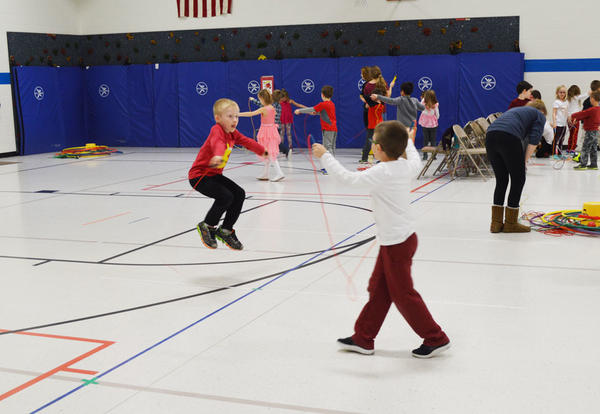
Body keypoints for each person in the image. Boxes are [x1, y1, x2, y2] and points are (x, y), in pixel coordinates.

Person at [311, 120, 450, 358]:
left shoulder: (382, 171)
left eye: (374, 142)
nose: (372, 144)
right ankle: (363, 338)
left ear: (379, 149)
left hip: (397, 243)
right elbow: (415, 159)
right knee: (378, 288)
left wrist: (325, 156)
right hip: (399, 240)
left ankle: (435, 337)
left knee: (403, 295)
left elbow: (349, 179)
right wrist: (410, 140)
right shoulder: (404, 165)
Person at [189, 98, 267, 250]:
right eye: (230, 116)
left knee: (239, 193)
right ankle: (207, 226)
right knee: (226, 196)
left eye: (236, 116)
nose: (235, 120)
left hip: (213, 175)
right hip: (199, 176)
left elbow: (246, 141)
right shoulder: (216, 130)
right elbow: (217, 142)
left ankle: (225, 230)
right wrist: (218, 155)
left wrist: (261, 150)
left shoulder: (233, 133)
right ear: (218, 118)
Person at [486, 100, 547, 233]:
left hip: (490, 136)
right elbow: (534, 140)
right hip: (508, 137)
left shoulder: (517, 112)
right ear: (542, 111)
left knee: (502, 180)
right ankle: (511, 223)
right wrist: (524, 162)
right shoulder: (539, 115)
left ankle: (495, 223)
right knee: (518, 179)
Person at [239, 89, 285, 182]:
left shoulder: (264, 108)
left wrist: (238, 114)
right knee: (267, 153)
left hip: (266, 131)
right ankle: (265, 173)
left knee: (270, 153)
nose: (259, 101)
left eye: (259, 99)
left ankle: (279, 173)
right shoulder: (272, 107)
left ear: (263, 99)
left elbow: (251, 114)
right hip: (271, 130)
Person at [295, 85, 338, 167]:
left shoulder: (323, 104)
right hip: (334, 129)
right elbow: (324, 113)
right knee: (332, 147)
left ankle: (330, 167)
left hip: (327, 129)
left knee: (327, 148)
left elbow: (312, 109)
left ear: (322, 94)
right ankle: (333, 166)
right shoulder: (331, 104)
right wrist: (316, 112)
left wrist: (299, 111)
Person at [569, 91, 600, 170]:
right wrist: (578, 119)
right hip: (596, 131)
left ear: (592, 99)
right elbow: (586, 116)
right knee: (593, 148)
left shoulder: (592, 109)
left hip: (590, 132)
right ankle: (593, 164)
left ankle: (583, 164)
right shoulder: (598, 109)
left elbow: (583, 113)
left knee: (585, 148)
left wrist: (572, 116)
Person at [279, 89, 304, 157]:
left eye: (284, 98)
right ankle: (282, 148)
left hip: (288, 120)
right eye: (282, 98)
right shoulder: (279, 102)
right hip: (281, 120)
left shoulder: (290, 101)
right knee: (282, 134)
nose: (283, 99)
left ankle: (290, 147)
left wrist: (305, 108)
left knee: (289, 133)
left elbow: (298, 105)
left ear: (287, 97)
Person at [419, 90, 440, 160]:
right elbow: (437, 115)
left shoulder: (424, 102)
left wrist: (425, 110)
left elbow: (420, 109)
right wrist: (434, 118)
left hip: (425, 123)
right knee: (432, 140)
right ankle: (432, 155)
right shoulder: (434, 104)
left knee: (426, 139)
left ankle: (426, 156)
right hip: (431, 124)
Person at [566, 85, 586, 151]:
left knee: (571, 134)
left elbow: (567, 110)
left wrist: (568, 118)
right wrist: (591, 92)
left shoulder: (568, 99)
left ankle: (569, 148)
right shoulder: (575, 98)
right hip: (575, 117)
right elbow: (584, 95)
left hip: (569, 117)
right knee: (574, 134)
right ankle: (572, 149)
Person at [551, 85, 569, 154]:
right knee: (556, 140)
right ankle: (553, 154)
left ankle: (559, 152)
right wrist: (554, 122)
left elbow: (567, 113)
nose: (562, 94)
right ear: (557, 93)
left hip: (564, 124)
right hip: (558, 124)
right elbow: (554, 113)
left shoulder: (566, 102)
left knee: (562, 139)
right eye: (560, 92)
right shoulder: (556, 102)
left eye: (564, 92)